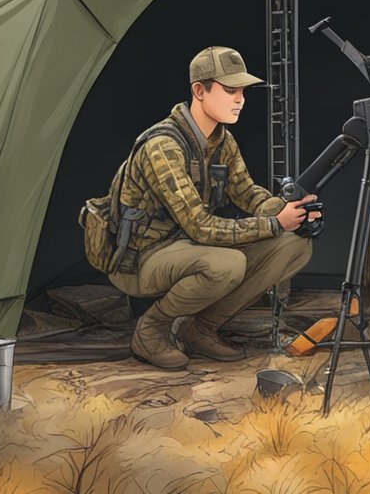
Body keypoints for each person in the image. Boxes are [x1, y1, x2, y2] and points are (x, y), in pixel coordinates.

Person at [106, 46, 319, 369]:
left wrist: (292, 211)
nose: (240, 99)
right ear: (199, 91)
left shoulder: (221, 140)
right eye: (230, 90)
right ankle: (151, 330)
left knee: (295, 244)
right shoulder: (163, 146)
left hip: (186, 246)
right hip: (140, 256)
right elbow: (200, 227)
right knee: (227, 264)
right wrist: (276, 223)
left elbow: (247, 194)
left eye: (243, 91)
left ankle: (200, 330)